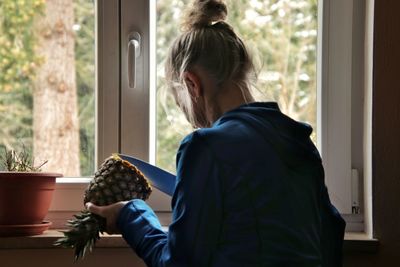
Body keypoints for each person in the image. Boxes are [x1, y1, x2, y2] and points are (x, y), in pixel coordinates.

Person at [86, 0, 346, 266]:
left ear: (191, 84)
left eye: (180, 101)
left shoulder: (205, 146)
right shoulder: (297, 139)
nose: (188, 116)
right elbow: (331, 233)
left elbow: (177, 264)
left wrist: (130, 213)